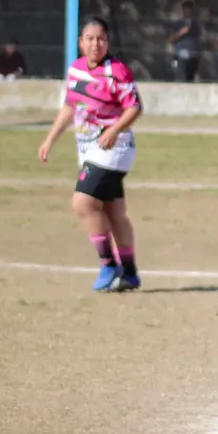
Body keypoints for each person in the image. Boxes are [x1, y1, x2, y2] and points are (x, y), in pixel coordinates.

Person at [38, 16, 143, 292]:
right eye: (90, 38)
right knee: (113, 210)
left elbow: (134, 107)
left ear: (107, 42)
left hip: (114, 148)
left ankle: (108, 265)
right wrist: (50, 139)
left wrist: (113, 130)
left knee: (83, 203)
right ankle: (129, 273)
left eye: (101, 39)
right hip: (89, 149)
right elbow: (70, 108)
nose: (96, 43)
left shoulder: (117, 71)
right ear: (80, 42)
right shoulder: (75, 70)